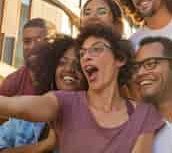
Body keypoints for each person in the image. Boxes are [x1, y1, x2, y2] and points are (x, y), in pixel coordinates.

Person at [0, 24, 163, 153]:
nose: (86, 57)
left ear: (119, 58)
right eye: (83, 53)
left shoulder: (143, 113)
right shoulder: (63, 102)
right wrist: (45, 145)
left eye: (97, 49)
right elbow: (17, 107)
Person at [0, 34, 87, 153]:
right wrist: (45, 145)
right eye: (62, 62)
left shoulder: (93, 123)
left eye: (78, 65)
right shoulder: (26, 119)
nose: (69, 69)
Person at [0, 18, 56, 97]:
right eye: (27, 41)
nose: (32, 47)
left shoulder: (62, 78)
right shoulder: (12, 82)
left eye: (40, 41)